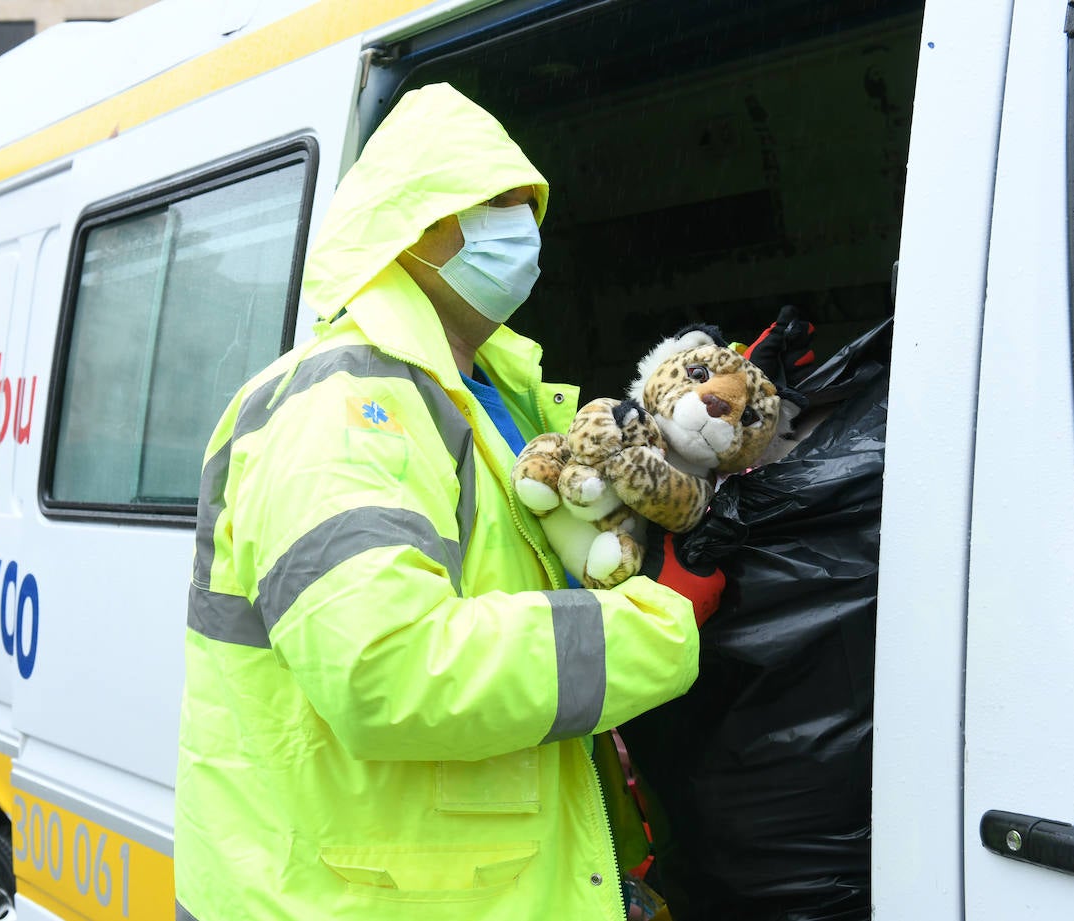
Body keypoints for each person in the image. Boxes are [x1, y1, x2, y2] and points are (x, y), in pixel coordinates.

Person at [175, 82, 702, 921]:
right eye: (492, 204)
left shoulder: (488, 393)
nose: (520, 231)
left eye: (527, 206)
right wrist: (658, 626)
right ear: (413, 229)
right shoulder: (342, 402)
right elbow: (385, 665)